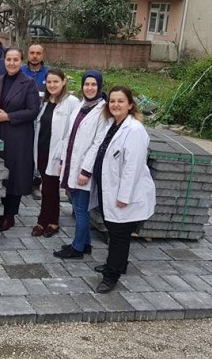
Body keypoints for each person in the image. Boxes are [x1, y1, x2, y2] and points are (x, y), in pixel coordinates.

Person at [89, 85, 156, 293]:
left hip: (124, 194)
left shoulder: (134, 130)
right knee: (116, 231)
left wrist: (124, 196)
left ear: (130, 105)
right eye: (112, 101)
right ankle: (118, 264)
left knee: (118, 235)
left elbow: (132, 168)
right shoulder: (114, 124)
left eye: (120, 101)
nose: (115, 105)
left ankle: (111, 276)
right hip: (109, 188)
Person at [52, 70, 109, 259]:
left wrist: (85, 171)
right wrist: (62, 160)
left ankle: (77, 248)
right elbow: (69, 136)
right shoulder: (81, 106)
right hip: (71, 164)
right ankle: (85, 243)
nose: (90, 88)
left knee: (80, 210)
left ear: (99, 87)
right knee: (77, 205)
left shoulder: (103, 112)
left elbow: (97, 144)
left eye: (94, 85)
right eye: (87, 84)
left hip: (84, 169)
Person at [0, 48, 40, 231]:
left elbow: (33, 111)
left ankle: (10, 215)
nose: (11, 63)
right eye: (8, 59)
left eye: (15, 59)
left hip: (18, 136)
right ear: (4, 61)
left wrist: (8, 117)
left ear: (21, 61)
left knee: (14, 175)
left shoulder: (28, 83)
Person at [31, 68, 79, 237]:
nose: (52, 85)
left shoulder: (71, 102)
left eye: (55, 82)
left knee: (50, 187)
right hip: (43, 149)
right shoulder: (46, 101)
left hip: (58, 153)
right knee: (48, 187)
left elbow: (73, 130)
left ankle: (47, 221)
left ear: (64, 81)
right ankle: (50, 220)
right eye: (49, 82)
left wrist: (64, 156)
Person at [20, 44, 50, 199]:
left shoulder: (49, 73)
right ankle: (23, 180)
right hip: (24, 116)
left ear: (43, 55)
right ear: (28, 54)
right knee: (24, 150)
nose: (35, 56)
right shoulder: (21, 71)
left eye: (38, 53)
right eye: (32, 52)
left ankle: (36, 183)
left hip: (42, 118)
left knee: (38, 150)